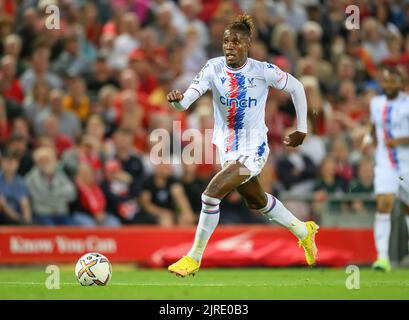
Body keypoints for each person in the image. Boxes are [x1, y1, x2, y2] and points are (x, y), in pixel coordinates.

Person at [166, 15, 318, 277]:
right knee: (256, 202)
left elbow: (296, 87)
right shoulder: (212, 68)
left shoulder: (262, 71)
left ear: (248, 45)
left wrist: (301, 127)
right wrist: (177, 101)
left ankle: (193, 257)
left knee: (210, 194)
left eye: (236, 41)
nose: (230, 46)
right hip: (227, 148)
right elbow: (186, 102)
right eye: (226, 41)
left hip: (254, 148)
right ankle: (304, 231)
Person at [366, 66, 409, 272]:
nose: (389, 85)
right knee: (384, 204)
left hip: (407, 162)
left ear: (401, 83)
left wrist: (401, 140)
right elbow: (374, 127)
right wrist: (368, 139)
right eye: (386, 81)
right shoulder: (376, 103)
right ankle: (382, 258)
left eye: (393, 81)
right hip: (385, 162)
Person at [25, 147, 76, 226]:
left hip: (61, 212)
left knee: (72, 232)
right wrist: (60, 196)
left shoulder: (60, 175)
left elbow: (72, 194)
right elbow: (41, 197)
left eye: (48, 160)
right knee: (51, 231)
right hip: (43, 213)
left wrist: (52, 193)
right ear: (37, 163)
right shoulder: (31, 178)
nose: (46, 163)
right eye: (42, 161)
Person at [0, 149, 31, 225]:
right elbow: (2, 204)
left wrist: (27, 222)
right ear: (2, 163)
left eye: (13, 162)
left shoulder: (20, 182)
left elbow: (24, 204)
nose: (9, 165)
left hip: (15, 215)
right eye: (7, 161)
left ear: (17, 164)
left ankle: (25, 225)